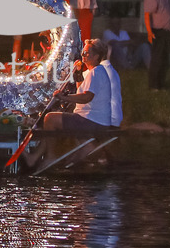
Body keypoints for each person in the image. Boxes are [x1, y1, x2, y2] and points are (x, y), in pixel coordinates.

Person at [28, 39, 122, 168]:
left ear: (96, 56)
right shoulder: (94, 72)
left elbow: (86, 97)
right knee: (62, 116)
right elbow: (81, 89)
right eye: (83, 52)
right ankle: (84, 149)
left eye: (87, 53)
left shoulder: (96, 72)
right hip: (92, 119)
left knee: (50, 118)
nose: (83, 55)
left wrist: (64, 97)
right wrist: (78, 72)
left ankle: (50, 156)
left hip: (92, 121)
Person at [143, 0, 170, 91]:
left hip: (166, 31)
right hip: (158, 31)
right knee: (157, 58)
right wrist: (149, 31)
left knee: (164, 59)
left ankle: (161, 83)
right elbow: (147, 14)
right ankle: (153, 85)